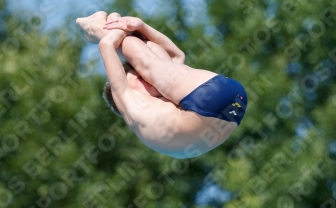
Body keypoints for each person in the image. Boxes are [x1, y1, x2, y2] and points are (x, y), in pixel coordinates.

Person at [76, 11, 247, 159]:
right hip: (210, 101)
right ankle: (97, 27)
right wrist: (118, 30)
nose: (145, 79)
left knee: (154, 53)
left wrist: (142, 27)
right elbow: (106, 45)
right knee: (145, 60)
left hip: (228, 105)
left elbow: (177, 55)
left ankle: (110, 25)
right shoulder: (126, 102)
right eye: (138, 78)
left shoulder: (163, 104)